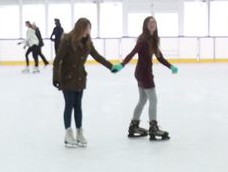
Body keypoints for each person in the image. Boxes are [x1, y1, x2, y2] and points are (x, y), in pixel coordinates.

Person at [52, 17, 117, 147]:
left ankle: (79, 132)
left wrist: (111, 66)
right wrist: (56, 77)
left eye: (89, 29)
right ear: (80, 28)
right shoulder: (67, 40)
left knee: (78, 106)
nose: (88, 32)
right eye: (86, 29)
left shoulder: (87, 42)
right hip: (67, 77)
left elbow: (97, 56)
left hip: (80, 78)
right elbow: (57, 60)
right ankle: (68, 134)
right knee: (69, 104)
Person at [119, 16, 177, 140]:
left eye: (154, 22)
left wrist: (170, 66)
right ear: (145, 25)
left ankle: (134, 126)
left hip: (141, 73)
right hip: (144, 74)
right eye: (150, 22)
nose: (152, 24)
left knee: (143, 100)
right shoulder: (143, 39)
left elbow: (159, 57)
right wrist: (122, 64)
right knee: (153, 100)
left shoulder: (153, 39)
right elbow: (133, 53)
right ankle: (153, 128)